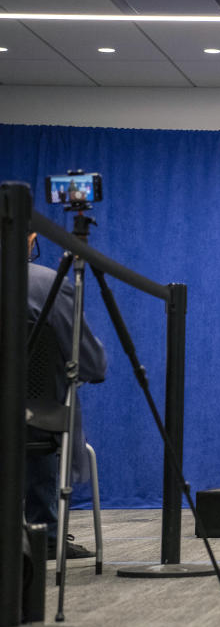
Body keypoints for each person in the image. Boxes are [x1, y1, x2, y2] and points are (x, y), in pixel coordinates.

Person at [22, 232, 108, 559]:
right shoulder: (49, 285)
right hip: (36, 417)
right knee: (44, 409)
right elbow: (93, 365)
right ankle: (43, 533)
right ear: (29, 240)